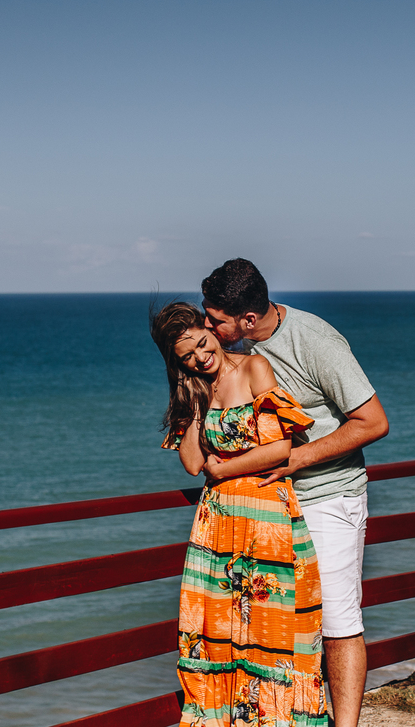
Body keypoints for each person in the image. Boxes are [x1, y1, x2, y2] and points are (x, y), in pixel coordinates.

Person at [200, 259, 389, 727]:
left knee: (336, 626)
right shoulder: (233, 350)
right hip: (268, 507)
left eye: (215, 320)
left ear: (247, 318)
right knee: (280, 626)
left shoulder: (314, 340)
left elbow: (374, 422)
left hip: (327, 498)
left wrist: (297, 459)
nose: (206, 326)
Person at [150, 301, 329, 727]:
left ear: (209, 329)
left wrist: (224, 468)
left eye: (199, 342)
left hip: (266, 520)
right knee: (219, 635)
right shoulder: (196, 388)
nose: (199, 356)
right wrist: (190, 397)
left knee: (274, 633)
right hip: (217, 528)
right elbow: (193, 464)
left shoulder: (254, 369)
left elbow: (281, 448)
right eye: (185, 356)